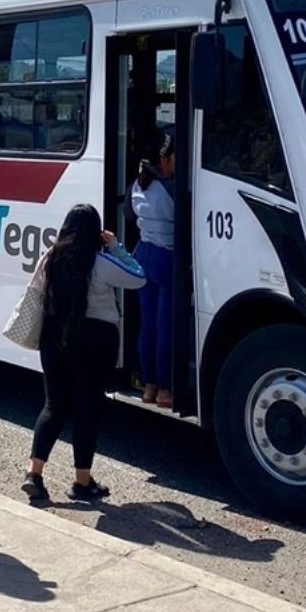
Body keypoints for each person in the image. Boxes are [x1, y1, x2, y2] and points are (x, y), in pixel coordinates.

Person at [21, 204, 145, 502]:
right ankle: (82, 481)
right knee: (86, 408)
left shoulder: (51, 258)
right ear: (95, 233)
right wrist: (116, 246)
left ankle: (34, 473)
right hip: (95, 341)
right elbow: (138, 276)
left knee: (54, 406)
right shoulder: (100, 262)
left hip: (54, 337)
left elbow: (35, 291)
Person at [131, 130, 175, 409]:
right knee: (165, 327)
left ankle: (148, 387)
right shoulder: (171, 188)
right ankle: (166, 390)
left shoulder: (138, 184)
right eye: (175, 158)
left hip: (143, 254)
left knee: (147, 325)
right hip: (166, 258)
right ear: (164, 159)